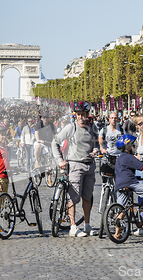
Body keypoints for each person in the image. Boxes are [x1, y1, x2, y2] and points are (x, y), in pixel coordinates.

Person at [51, 101, 98, 237]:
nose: (80, 117)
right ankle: (73, 227)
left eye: (83, 114)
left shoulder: (93, 128)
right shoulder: (70, 128)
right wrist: (59, 161)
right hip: (75, 165)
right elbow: (55, 142)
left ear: (87, 115)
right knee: (73, 197)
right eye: (78, 115)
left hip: (90, 165)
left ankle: (87, 225)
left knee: (87, 197)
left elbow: (96, 144)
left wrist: (95, 149)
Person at [112, 134, 143, 239]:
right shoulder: (129, 157)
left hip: (119, 185)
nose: (135, 147)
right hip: (129, 182)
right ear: (128, 147)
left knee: (122, 209)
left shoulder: (119, 159)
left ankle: (117, 232)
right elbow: (142, 167)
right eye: (133, 145)